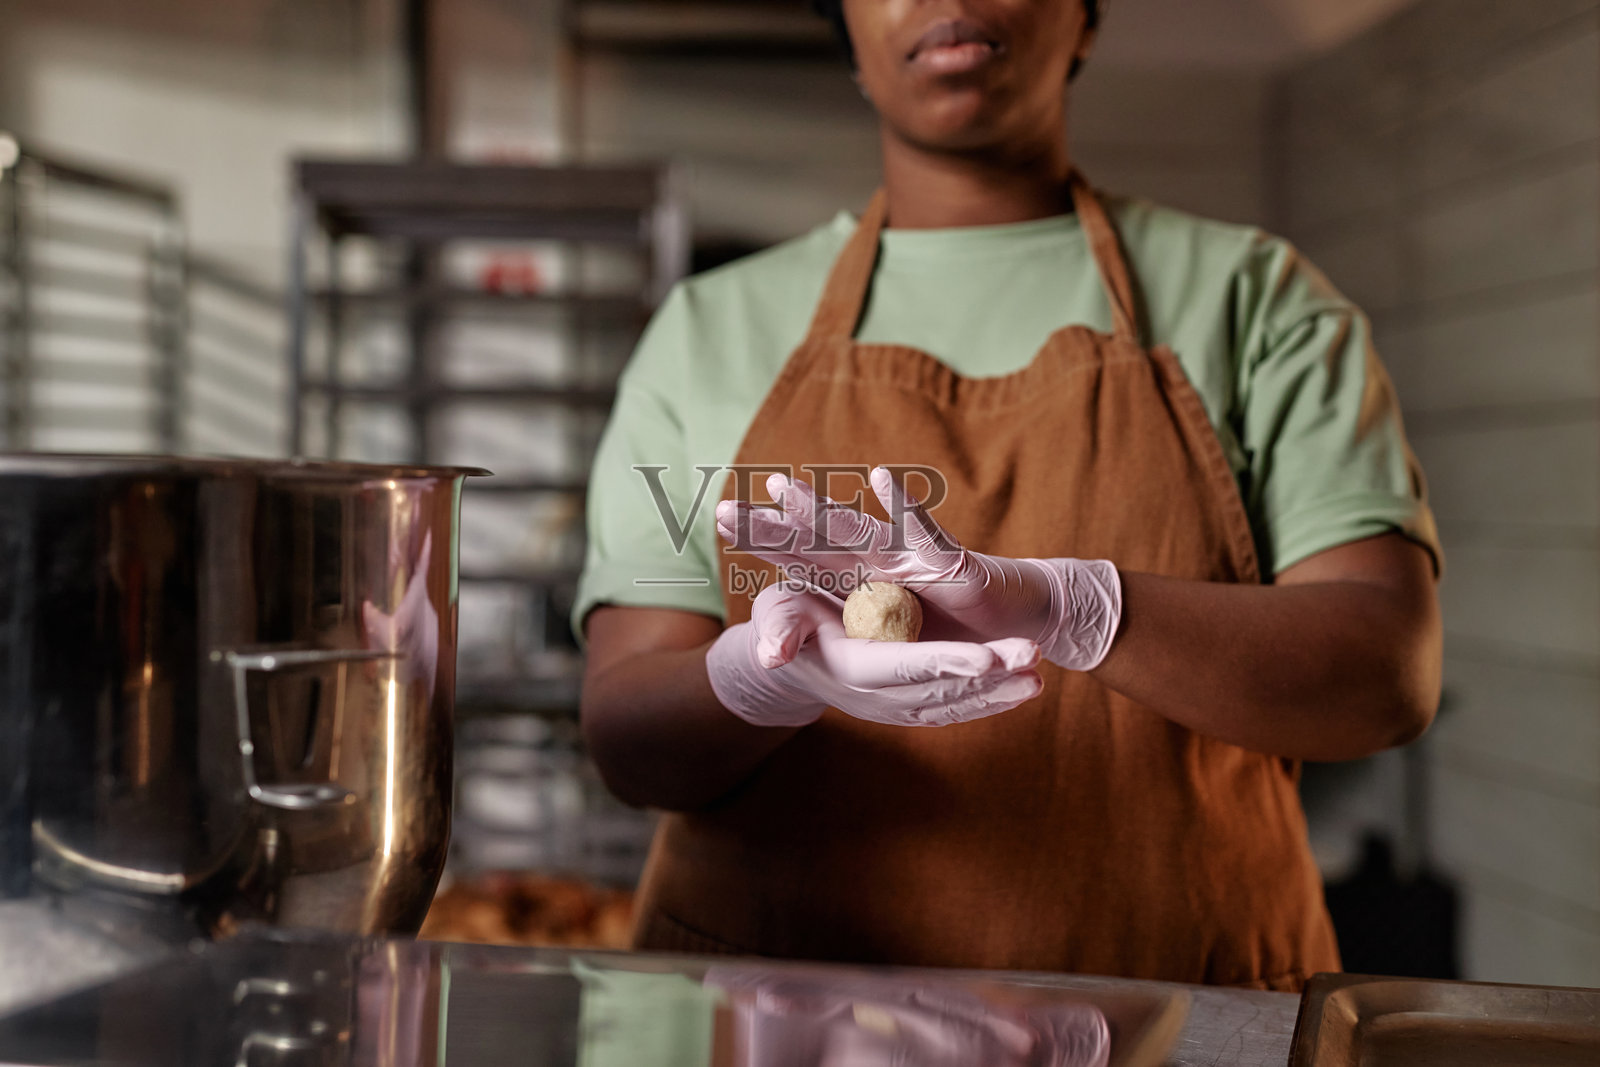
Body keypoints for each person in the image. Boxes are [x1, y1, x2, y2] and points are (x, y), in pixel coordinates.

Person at [574, 0, 1442, 992]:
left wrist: (1076, 609)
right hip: (781, 1017)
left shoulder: (1257, 301)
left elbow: (1386, 672)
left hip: (1179, 1021)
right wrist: (758, 680)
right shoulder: (705, 335)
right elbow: (628, 740)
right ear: (845, 30)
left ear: (1087, 20)